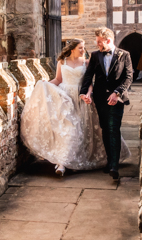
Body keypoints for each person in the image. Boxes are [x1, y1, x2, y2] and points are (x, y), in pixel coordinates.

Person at [19, 38, 129, 177]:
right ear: (72, 49)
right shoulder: (62, 62)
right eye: (81, 48)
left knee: (80, 130)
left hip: (81, 97)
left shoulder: (86, 62)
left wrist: (88, 93)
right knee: (68, 129)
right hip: (65, 97)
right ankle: (62, 163)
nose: (84, 50)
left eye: (83, 48)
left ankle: (71, 160)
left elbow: (88, 81)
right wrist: (46, 84)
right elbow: (58, 80)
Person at [79, 27, 133, 182]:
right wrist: (84, 93)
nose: (97, 45)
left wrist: (117, 93)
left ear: (108, 40)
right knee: (105, 129)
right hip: (101, 98)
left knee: (114, 128)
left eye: (99, 42)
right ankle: (110, 161)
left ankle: (115, 166)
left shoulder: (125, 55)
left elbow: (129, 77)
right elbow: (89, 76)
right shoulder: (95, 56)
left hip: (118, 98)